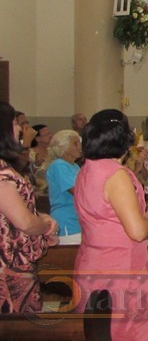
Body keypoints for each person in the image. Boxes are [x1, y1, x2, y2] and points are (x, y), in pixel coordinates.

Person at [73, 109, 148, 340]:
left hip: (92, 263)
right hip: (120, 269)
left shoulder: (86, 169)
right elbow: (137, 231)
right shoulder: (116, 175)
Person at [0, 102, 58, 313]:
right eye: (16, 123)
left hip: (14, 262)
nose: (20, 128)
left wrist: (39, 215)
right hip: (9, 265)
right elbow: (24, 222)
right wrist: (46, 226)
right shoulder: (2, 174)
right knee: (16, 323)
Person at [45, 130, 82, 245]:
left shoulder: (74, 166)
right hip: (67, 221)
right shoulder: (59, 165)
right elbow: (77, 191)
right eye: (75, 143)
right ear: (63, 147)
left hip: (77, 220)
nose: (80, 147)